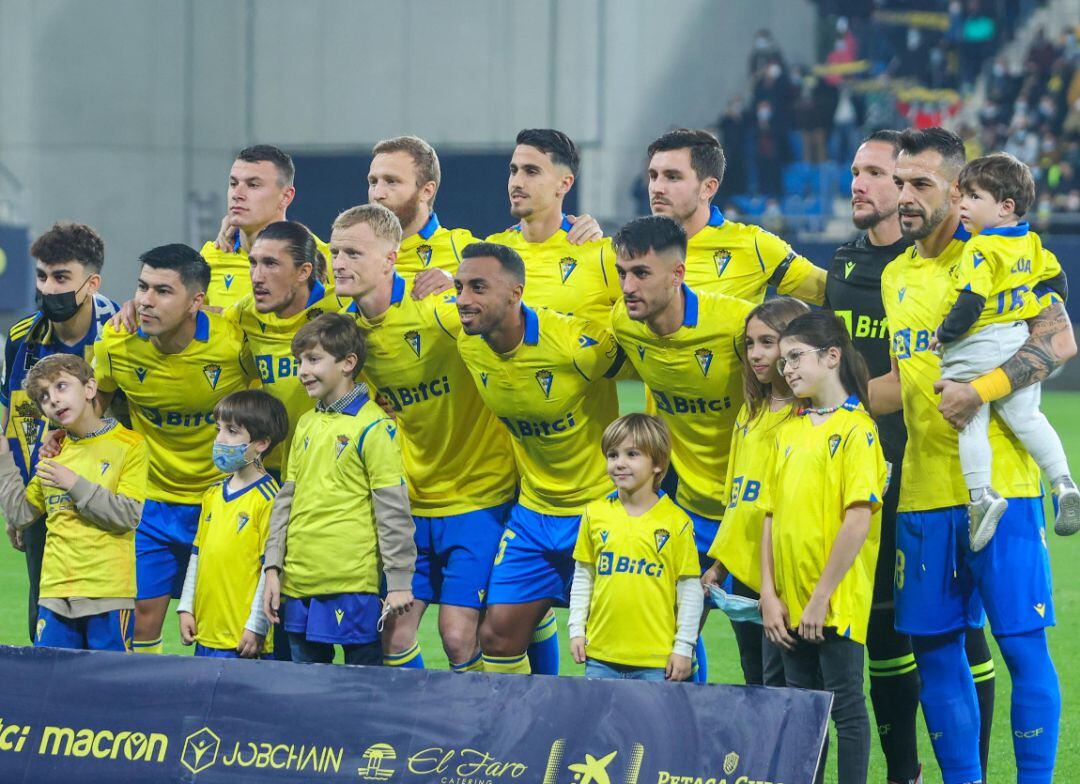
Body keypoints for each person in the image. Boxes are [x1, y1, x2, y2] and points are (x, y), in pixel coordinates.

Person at [873, 127, 1066, 784]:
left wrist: (981, 391)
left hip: (1002, 488)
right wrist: (815, 401)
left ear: (959, 194)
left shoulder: (999, 254)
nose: (903, 195)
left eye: (919, 184)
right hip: (924, 493)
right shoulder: (896, 273)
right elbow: (908, 380)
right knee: (934, 654)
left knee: (1021, 648)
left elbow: (1060, 341)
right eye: (899, 182)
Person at [827, 130, 995, 784]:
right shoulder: (843, 267)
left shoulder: (957, 264)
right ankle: (905, 774)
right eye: (858, 171)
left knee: (961, 636)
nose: (862, 185)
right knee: (884, 635)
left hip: (944, 476)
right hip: (868, 482)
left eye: (879, 173)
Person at [334, 204, 516, 672]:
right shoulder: (345, 329)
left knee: (458, 637)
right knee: (392, 634)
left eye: (353, 253)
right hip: (411, 496)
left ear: (391, 259)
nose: (339, 263)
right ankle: (410, 741)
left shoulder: (435, 309)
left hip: (476, 494)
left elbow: (503, 311)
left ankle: (481, 735)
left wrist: (455, 282)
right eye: (335, 252)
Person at [454, 242, 626, 674]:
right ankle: (525, 736)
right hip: (533, 512)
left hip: (599, 508)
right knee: (496, 635)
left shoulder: (573, 344)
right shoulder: (468, 343)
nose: (462, 299)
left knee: (627, 641)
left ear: (516, 294)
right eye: (458, 287)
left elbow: (649, 366)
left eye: (477, 287)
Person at [482, 128, 617, 674]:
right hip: (523, 477)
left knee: (633, 631)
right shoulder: (491, 257)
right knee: (500, 629)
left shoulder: (597, 255)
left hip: (599, 482)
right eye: (514, 169)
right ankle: (531, 742)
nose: (517, 180)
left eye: (531, 171)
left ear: (566, 182)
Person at [609, 214, 755, 683]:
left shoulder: (734, 324)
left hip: (751, 513)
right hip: (690, 507)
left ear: (678, 274)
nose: (628, 286)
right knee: (672, 643)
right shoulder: (624, 325)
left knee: (761, 655)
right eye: (622, 273)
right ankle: (682, 744)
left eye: (641, 273)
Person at [92, 244, 258, 655]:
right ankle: (149, 712)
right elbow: (96, 402)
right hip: (153, 501)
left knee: (225, 619)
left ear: (196, 301)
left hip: (222, 500)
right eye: (142, 287)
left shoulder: (233, 344)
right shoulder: (116, 342)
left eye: (163, 291)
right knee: (142, 614)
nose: (146, 301)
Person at [760, 311, 886, 784]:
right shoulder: (788, 430)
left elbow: (858, 519)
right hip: (789, 603)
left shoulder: (858, 430)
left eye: (795, 357)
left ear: (832, 356)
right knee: (801, 709)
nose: (786, 368)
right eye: (782, 361)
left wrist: (820, 597)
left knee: (845, 707)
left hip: (833, 603)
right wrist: (769, 596)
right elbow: (769, 516)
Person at [936, 152, 1077, 548]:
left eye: (974, 197)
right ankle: (1063, 481)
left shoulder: (979, 249)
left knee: (970, 420)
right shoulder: (1031, 243)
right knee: (1028, 417)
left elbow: (970, 303)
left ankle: (981, 496)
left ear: (1005, 206)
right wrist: (1035, 301)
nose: (962, 205)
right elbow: (1057, 282)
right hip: (1016, 339)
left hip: (977, 342)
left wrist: (944, 334)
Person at [262, 313, 416, 665]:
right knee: (306, 695)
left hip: (351, 585)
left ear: (348, 363)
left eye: (314, 360)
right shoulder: (305, 423)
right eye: (299, 361)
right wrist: (273, 567)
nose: (302, 370)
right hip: (298, 583)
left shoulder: (374, 426)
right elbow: (286, 500)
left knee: (360, 697)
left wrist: (398, 583)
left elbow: (393, 510)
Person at [2, 222, 119, 643]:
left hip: (103, 495)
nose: (49, 288)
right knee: (43, 610)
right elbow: (13, 417)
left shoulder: (120, 336)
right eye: (42, 276)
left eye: (61, 278)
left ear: (92, 282)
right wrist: (15, 503)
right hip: (44, 490)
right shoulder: (22, 339)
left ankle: (109, 707)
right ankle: (44, 709)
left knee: (108, 614)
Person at [0, 354, 147, 651]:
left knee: (107, 690)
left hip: (107, 594)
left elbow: (128, 515)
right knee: (51, 692)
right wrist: (3, 457)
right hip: (54, 595)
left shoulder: (130, 445)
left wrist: (74, 484)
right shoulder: (54, 454)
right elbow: (22, 514)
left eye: (61, 386)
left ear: (90, 388)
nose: (53, 399)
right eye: (44, 396)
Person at [703, 296, 809, 688]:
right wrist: (719, 566)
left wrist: (774, 587)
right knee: (755, 681)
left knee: (786, 687)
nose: (756, 354)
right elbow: (738, 502)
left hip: (785, 578)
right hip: (745, 579)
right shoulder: (750, 413)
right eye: (750, 344)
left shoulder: (807, 417)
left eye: (768, 341)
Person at [569, 414, 701, 682]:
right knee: (601, 725)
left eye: (632, 454)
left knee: (652, 726)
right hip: (601, 657)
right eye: (612, 455)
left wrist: (684, 647)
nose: (620, 463)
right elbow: (584, 577)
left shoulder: (677, 522)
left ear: (658, 463)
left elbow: (689, 590)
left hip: (656, 662)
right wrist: (576, 630)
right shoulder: (594, 514)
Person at [645, 128, 826, 304]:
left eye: (673, 177)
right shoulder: (627, 253)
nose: (657, 188)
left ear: (708, 188)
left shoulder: (753, 246)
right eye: (653, 176)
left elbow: (835, 292)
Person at [223, 220, 345, 477]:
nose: (257, 277)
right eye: (253, 263)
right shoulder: (246, 314)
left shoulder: (343, 311)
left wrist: (445, 280)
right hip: (272, 470)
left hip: (334, 471)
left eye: (271, 264)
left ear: (304, 272)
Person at [177, 389, 288, 658]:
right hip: (206, 631)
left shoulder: (269, 499)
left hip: (242, 638)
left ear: (261, 443)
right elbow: (197, 555)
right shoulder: (213, 494)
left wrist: (256, 626)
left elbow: (269, 571)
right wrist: (185, 608)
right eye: (219, 429)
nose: (220, 439)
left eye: (232, 431)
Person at [203, 145, 330, 309]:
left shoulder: (323, 257)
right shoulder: (211, 256)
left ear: (285, 196)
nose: (237, 194)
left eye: (253, 185)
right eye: (233, 183)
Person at [367, 135, 475, 284]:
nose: (377, 194)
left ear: (426, 191)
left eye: (391, 182)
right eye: (373, 182)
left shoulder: (464, 251)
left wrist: (460, 285)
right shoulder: (344, 254)